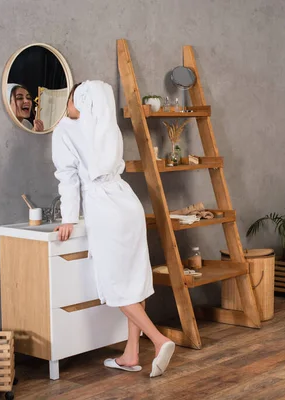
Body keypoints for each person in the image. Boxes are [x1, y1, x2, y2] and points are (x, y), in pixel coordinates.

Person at [51, 80, 175, 378]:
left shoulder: (65, 130)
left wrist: (68, 218)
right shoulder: (107, 129)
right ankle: (131, 354)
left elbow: (67, 177)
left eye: (70, 100)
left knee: (115, 285)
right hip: (127, 202)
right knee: (133, 279)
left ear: (77, 101)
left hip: (104, 210)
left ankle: (159, 341)